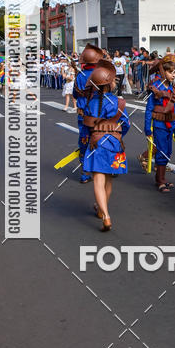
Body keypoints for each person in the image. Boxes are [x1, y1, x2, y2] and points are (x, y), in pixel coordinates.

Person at [81, 60, 130, 232]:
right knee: (108, 179)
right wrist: (116, 136)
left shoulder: (90, 102)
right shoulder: (119, 102)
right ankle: (102, 211)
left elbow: (86, 126)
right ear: (109, 83)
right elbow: (126, 124)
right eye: (113, 80)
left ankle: (106, 215)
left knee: (98, 180)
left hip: (96, 143)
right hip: (114, 143)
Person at [144, 54, 175, 193]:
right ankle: (160, 180)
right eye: (170, 72)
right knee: (162, 152)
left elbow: (174, 111)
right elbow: (149, 109)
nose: (173, 75)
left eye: (174, 72)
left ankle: (162, 178)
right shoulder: (156, 87)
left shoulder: (173, 89)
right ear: (163, 72)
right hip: (159, 125)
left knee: (168, 152)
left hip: (170, 125)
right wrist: (147, 128)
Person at [74, 44, 104, 183]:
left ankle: (85, 173)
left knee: (84, 141)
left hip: (83, 114)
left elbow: (75, 94)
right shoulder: (101, 73)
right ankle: (102, 169)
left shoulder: (80, 75)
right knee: (102, 140)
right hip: (99, 114)